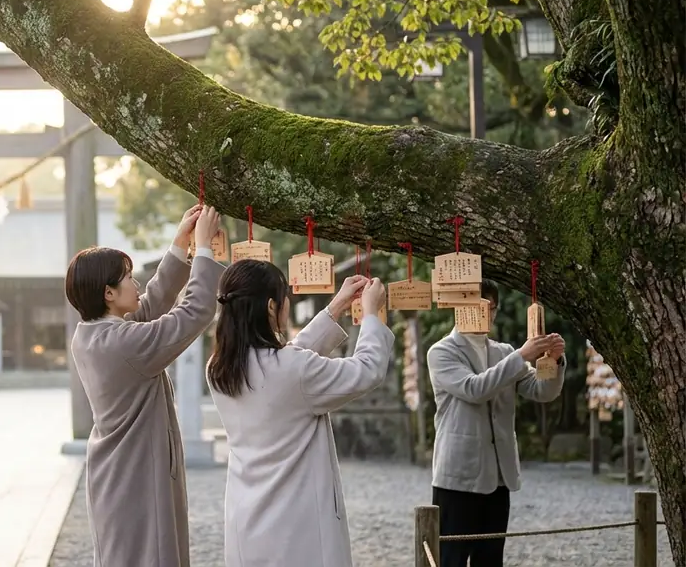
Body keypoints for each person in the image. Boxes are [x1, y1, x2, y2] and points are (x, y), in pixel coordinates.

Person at [207, 260, 394, 567]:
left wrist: (334, 309)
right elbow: (366, 371)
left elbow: (288, 363)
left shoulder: (218, 369)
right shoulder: (292, 370)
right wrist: (372, 316)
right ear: (271, 307)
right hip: (298, 527)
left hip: (247, 518)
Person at [65, 204, 223, 567]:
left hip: (120, 470)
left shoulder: (91, 335)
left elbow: (150, 306)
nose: (135, 284)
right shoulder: (123, 343)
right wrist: (203, 250)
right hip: (134, 475)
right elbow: (194, 313)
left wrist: (179, 246)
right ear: (108, 293)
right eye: (127, 278)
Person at [427, 280, 566, 567]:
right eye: (477, 306)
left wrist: (554, 361)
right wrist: (522, 356)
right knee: (450, 558)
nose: (484, 313)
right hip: (458, 475)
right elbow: (473, 389)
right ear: (459, 307)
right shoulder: (441, 352)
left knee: (490, 559)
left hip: (499, 475)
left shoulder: (503, 352)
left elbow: (541, 391)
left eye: (490, 307)